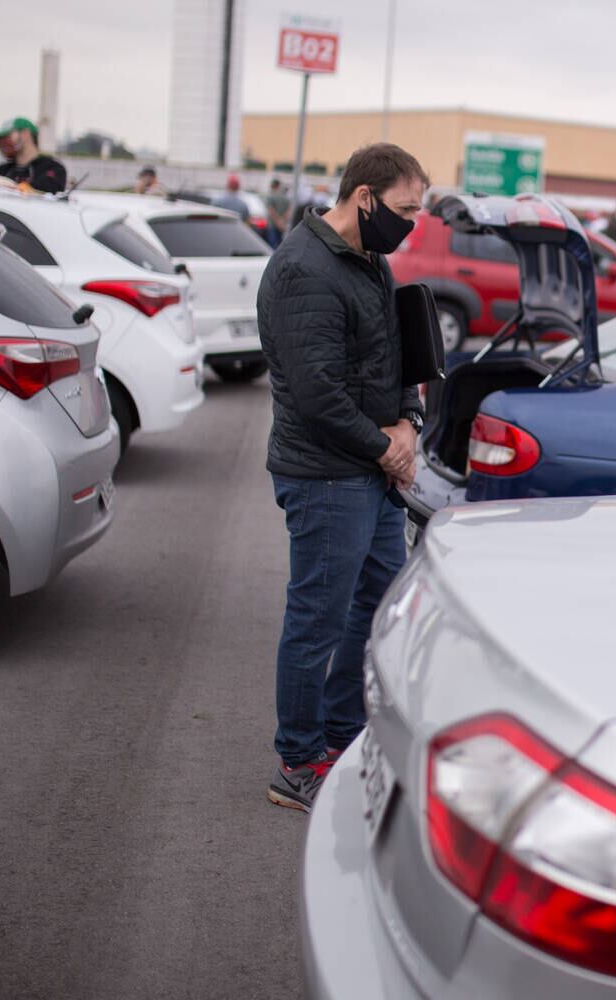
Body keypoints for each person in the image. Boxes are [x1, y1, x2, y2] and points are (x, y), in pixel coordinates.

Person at [258, 142, 429, 812]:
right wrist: (387, 450)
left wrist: (409, 420)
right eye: (404, 210)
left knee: (380, 601)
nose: (410, 224)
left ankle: (339, 732)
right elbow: (316, 394)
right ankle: (298, 761)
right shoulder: (304, 269)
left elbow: (396, 352)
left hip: (370, 469)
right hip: (327, 475)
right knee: (316, 618)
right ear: (364, 197)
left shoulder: (368, 259)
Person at [0, 117, 67, 193]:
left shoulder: (52, 168)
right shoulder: (1, 170)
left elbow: (46, 193)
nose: (2, 143)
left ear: (25, 134)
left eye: (7, 136)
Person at [265, 178, 291, 248]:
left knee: (271, 246)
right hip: (282, 225)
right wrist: (282, 221)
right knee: (280, 245)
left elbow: (271, 211)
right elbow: (288, 210)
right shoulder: (285, 197)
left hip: (272, 224)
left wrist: (278, 221)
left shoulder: (270, 196)